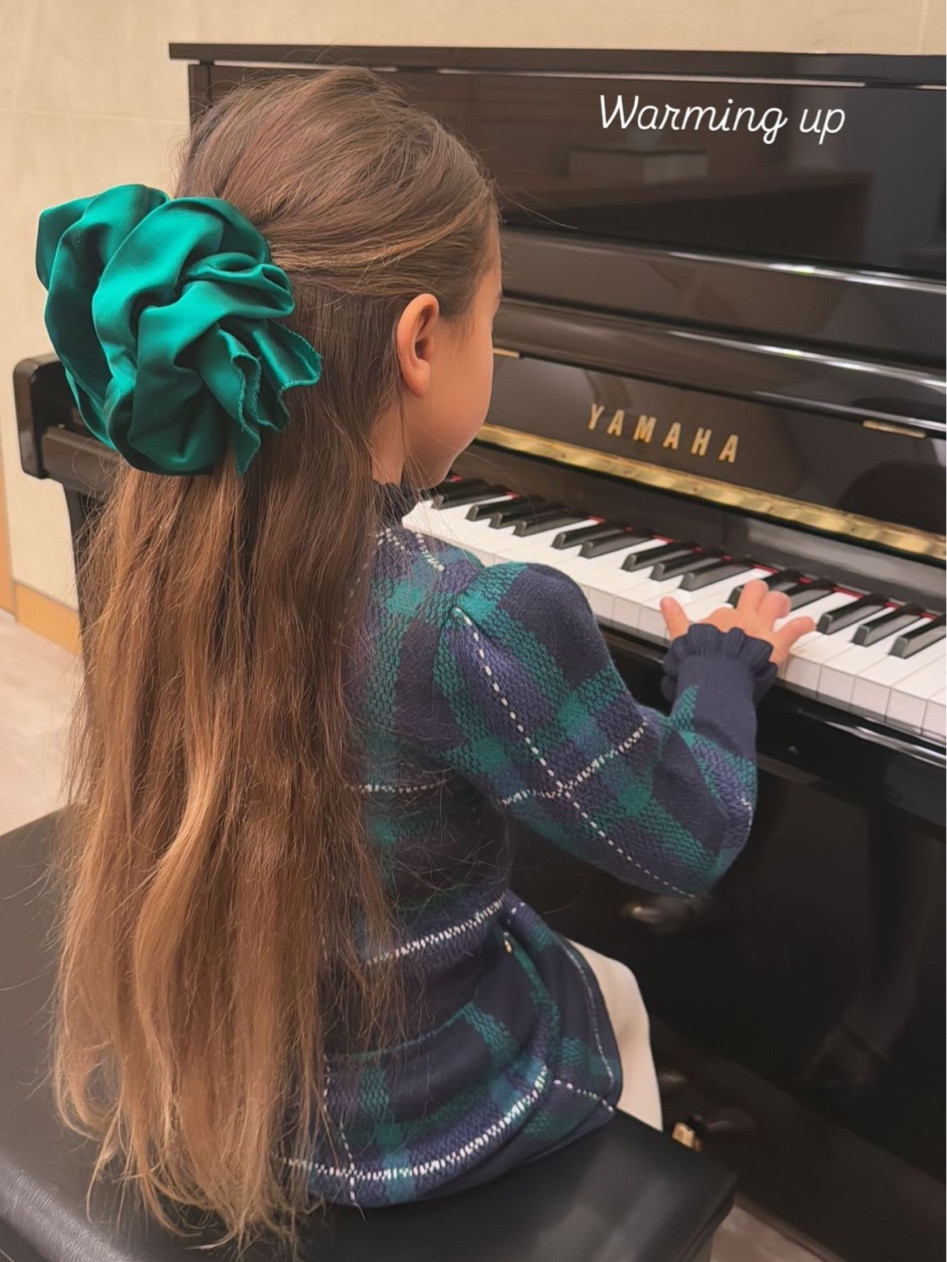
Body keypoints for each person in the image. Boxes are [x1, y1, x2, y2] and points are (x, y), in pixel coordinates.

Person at [34, 65, 815, 1254]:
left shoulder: (171, 532)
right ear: (417, 339)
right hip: (408, 1121)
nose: (493, 349)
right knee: (614, 992)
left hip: (222, 1071)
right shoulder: (469, 622)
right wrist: (717, 664)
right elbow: (693, 830)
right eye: (494, 323)